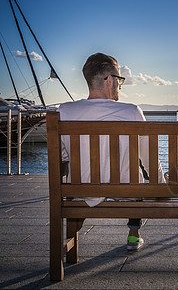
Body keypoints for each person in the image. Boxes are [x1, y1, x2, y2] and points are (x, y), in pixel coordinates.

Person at [58, 53, 165, 250]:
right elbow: (149, 157)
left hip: (82, 190)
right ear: (109, 80)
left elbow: (62, 158)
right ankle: (134, 234)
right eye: (119, 80)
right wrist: (161, 186)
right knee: (135, 172)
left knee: (80, 176)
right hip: (127, 191)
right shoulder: (132, 111)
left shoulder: (64, 111)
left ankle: (70, 237)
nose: (120, 86)